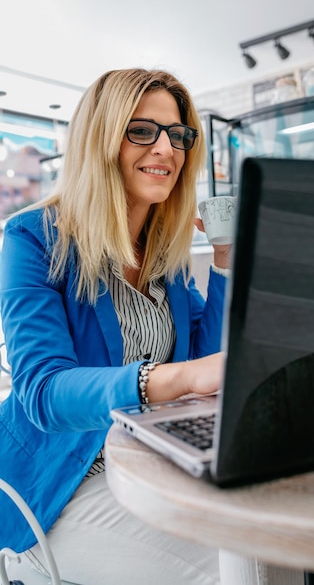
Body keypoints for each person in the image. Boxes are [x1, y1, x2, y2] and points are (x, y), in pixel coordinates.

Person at [0, 68, 230, 585]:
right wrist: (174, 379)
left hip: (154, 463)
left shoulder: (164, 256)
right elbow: (43, 391)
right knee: (228, 572)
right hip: (60, 486)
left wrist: (224, 263)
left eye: (178, 134)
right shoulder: (33, 238)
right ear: (101, 139)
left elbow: (205, 357)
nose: (166, 148)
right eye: (142, 130)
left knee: (265, 546)